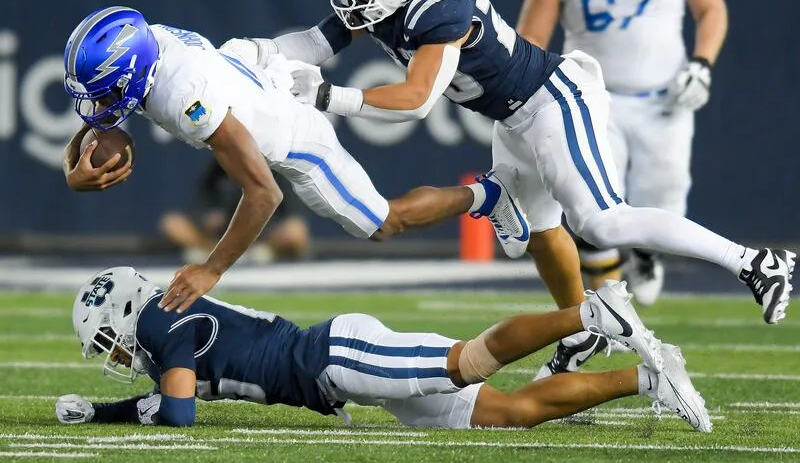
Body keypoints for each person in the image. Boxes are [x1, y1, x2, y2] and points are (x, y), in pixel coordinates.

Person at [223, 0, 793, 377]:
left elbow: (417, 99)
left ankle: (756, 262)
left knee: (603, 222)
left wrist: (328, 97)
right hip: (511, 117)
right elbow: (315, 41)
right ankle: (581, 325)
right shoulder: (387, 0)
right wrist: (256, 52)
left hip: (552, 102)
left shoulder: (441, 6)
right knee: (541, 235)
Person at [61, 7, 529, 314]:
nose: (96, 105)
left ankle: (486, 195)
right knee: (304, 43)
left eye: (103, 91)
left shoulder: (185, 96)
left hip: (291, 128)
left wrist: (211, 269)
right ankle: (366, 14)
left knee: (383, 223)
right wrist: (74, 161)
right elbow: (110, 112)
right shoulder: (153, 42)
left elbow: (264, 194)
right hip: (248, 69)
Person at [55, 266, 711, 432]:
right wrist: (100, 411)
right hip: (337, 371)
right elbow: (167, 399)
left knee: (468, 361)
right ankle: (649, 378)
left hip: (336, 357)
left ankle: (589, 311)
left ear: (127, 313)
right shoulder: (167, 322)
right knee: (510, 414)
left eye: (109, 340)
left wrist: (112, 414)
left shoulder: (161, 322)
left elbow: (176, 414)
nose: (116, 355)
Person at [517, 0, 728, 308]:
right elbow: (532, 38)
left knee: (664, 202)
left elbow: (711, 8)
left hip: (665, 98)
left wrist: (702, 64)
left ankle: (645, 257)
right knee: (591, 207)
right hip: (594, 98)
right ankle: (610, 304)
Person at [159, 157, 310, 264]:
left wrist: (264, 224)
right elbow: (200, 203)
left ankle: (259, 254)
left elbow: (288, 214)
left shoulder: (271, 170)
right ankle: (214, 256)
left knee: (296, 231)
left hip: (259, 237)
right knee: (172, 224)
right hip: (219, 236)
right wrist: (207, 217)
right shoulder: (218, 167)